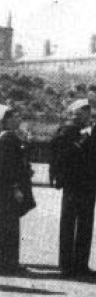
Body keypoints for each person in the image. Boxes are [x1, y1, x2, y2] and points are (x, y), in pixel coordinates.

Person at [50, 99, 96, 277]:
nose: (84, 114)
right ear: (74, 113)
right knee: (68, 222)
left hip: (88, 181)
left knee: (86, 223)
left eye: (87, 111)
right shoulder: (66, 131)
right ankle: (66, 265)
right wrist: (55, 176)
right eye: (81, 111)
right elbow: (57, 154)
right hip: (72, 182)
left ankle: (82, 264)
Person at [0, 104, 36, 273]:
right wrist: (16, 188)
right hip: (8, 190)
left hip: (5, 189)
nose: (19, 119)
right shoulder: (8, 139)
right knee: (10, 227)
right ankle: (10, 263)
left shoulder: (8, 137)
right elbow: (7, 167)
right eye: (15, 116)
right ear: (5, 120)